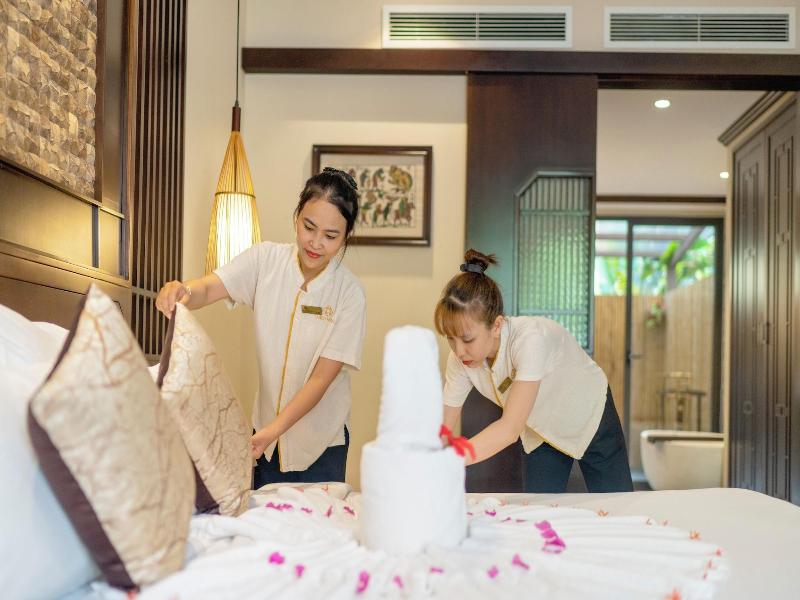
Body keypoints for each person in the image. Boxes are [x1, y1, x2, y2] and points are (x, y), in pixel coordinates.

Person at [155, 168, 366, 488]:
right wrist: (182, 290)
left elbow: (321, 379)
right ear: (296, 217)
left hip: (321, 447)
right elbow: (209, 288)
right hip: (265, 440)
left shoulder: (349, 294)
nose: (315, 243)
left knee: (317, 520)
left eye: (331, 235)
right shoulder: (265, 261)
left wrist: (272, 431)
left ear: (346, 236)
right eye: (309, 227)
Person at [434, 249, 633, 493]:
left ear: (496, 325)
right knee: (539, 505)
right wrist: (427, 454)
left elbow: (509, 429)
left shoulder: (529, 340)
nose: (458, 350)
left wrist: (451, 459)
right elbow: (444, 427)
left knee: (616, 501)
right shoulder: (460, 359)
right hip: (539, 429)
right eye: (450, 338)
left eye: (467, 339)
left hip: (588, 413)